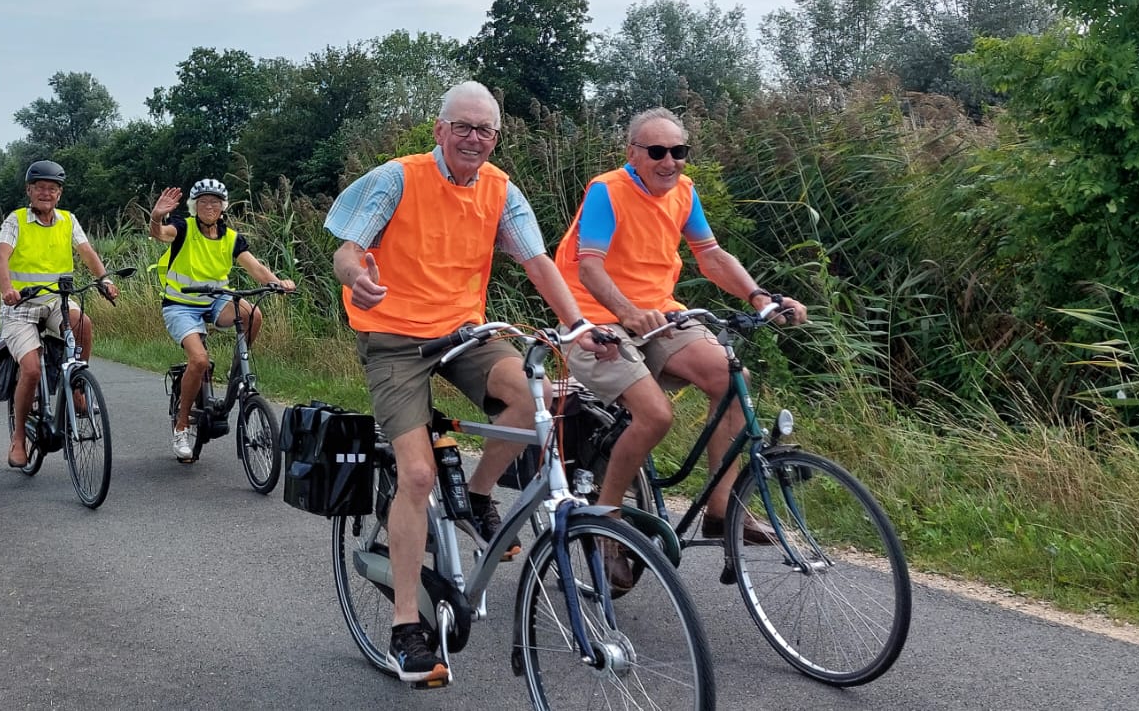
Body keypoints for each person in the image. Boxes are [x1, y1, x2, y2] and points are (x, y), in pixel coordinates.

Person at [325, 81, 612, 685]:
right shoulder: (398, 179)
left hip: (463, 332)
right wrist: (357, 278)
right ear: (439, 130)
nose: (474, 139)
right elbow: (348, 252)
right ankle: (407, 626)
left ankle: (479, 495)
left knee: (540, 398)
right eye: (463, 127)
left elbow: (537, 262)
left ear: (496, 137)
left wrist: (579, 325)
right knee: (420, 472)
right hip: (395, 338)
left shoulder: (501, 190)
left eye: (485, 130)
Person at [553, 106, 810, 590]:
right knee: (655, 416)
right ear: (633, 154)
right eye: (656, 152)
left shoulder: (684, 193)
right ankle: (608, 529)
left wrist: (759, 297)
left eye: (678, 151)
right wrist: (627, 313)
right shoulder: (607, 191)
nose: (669, 162)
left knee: (732, 378)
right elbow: (590, 268)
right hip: (596, 322)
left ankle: (721, 512)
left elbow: (709, 254)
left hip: (659, 315)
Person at [148, 178, 294, 461]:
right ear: (195, 206)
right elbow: (160, 234)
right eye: (203, 201)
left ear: (223, 207)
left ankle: (237, 370)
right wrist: (156, 217)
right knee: (199, 361)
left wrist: (278, 283)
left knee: (253, 314)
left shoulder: (231, 238)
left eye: (215, 202)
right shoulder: (183, 227)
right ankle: (181, 427)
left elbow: (256, 268)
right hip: (181, 305)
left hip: (216, 301)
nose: (209, 206)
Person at [0, 160, 117, 469]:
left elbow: (87, 251)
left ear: (59, 194)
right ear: (29, 191)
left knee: (83, 324)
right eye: (40, 188)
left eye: (52, 189)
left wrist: (103, 279)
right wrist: (8, 289)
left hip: (56, 301)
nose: (45, 194)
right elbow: (1, 256)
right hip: (20, 306)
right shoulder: (16, 220)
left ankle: (76, 383)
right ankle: (19, 438)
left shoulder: (68, 220)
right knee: (32, 370)